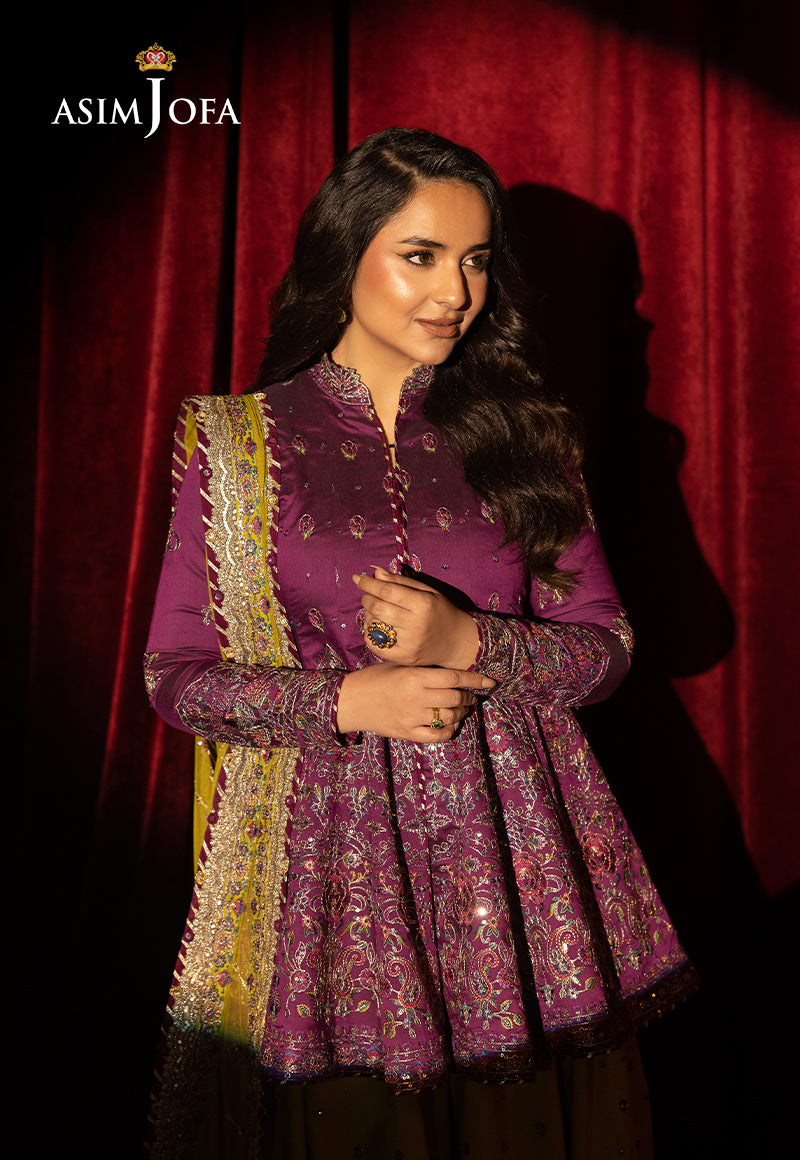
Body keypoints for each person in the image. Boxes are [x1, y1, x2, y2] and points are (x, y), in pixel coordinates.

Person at [144, 127, 697, 1158]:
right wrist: (345, 701)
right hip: (323, 873)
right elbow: (175, 676)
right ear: (342, 254)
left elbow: (606, 647)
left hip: (516, 870)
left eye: (476, 260)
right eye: (421, 256)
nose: (455, 292)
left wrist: (472, 639)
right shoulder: (238, 441)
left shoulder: (527, 435)